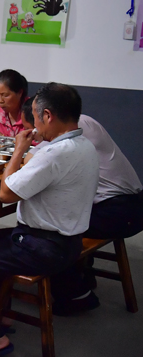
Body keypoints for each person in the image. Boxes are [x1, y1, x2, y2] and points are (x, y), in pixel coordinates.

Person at [0, 83, 99, 357]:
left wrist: (18, 151)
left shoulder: (54, 154)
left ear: (48, 116)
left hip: (43, 246)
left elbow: (5, 194)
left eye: (37, 118)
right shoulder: (84, 144)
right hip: (68, 241)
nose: (35, 125)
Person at [22, 105, 143, 314]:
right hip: (125, 205)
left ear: (46, 117)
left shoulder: (73, 134)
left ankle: (77, 294)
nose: (35, 135)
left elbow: (30, 161)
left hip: (120, 211)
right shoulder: (82, 121)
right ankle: (83, 273)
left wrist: (23, 148)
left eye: (33, 128)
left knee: (52, 227)